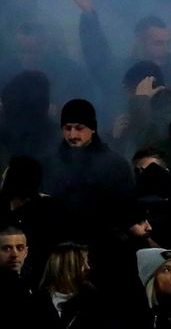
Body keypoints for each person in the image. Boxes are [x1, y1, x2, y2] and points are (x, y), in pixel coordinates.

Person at [41, 97, 134, 235]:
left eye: (79, 128)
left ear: (93, 129)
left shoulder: (115, 165)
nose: (73, 135)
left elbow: (125, 210)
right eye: (67, 128)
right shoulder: (48, 164)